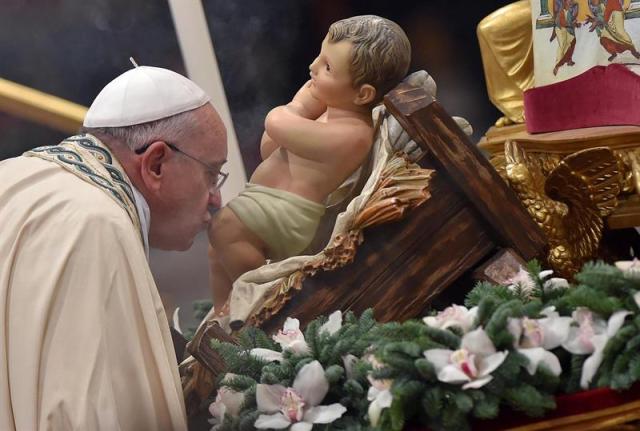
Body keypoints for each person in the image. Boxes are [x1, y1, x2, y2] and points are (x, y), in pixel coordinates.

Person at [0, 66, 228, 430]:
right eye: (211, 174)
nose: (216, 198)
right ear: (155, 163)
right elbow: (81, 414)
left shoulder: (12, 176)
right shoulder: (97, 223)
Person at [208, 15, 411, 312]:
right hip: (264, 202)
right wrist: (301, 108)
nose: (313, 67)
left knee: (225, 227)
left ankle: (258, 300)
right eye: (319, 56)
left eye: (327, 67)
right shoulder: (330, 110)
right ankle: (222, 315)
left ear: (362, 93)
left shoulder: (353, 135)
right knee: (216, 251)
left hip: (290, 215)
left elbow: (277, 124)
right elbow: (269, 147)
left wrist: (297, 107)